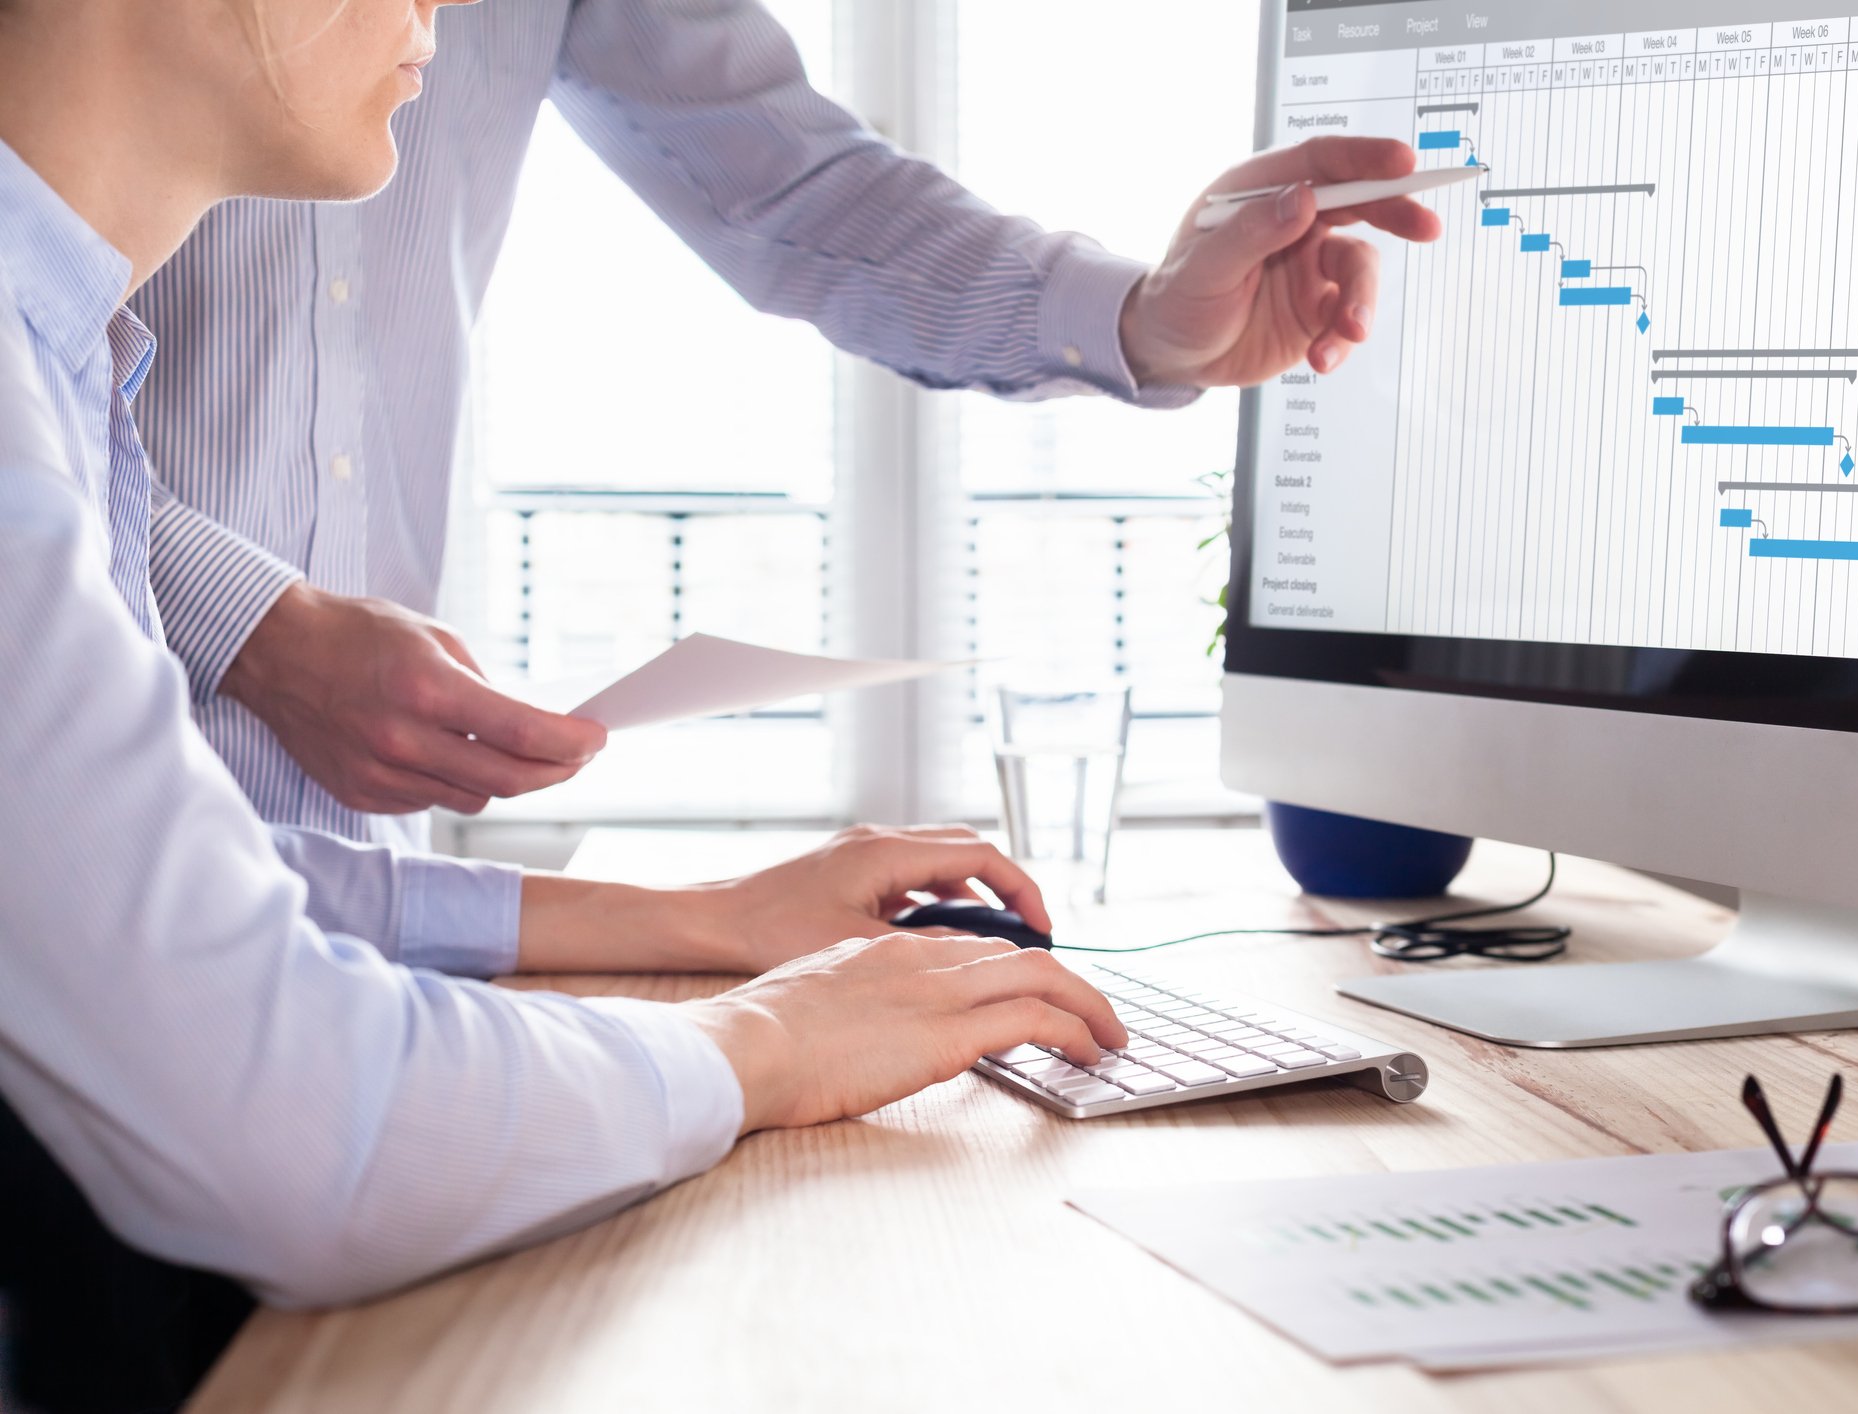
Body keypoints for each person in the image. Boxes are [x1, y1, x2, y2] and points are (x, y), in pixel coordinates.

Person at [0, 2, 1130, 1406]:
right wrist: (766, 1040)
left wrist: (697, 923)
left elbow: (141, 891)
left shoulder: (63, 363)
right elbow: (296, 1122)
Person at [134, 0, 1441, 845]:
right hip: (73, 790)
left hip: (356, 853)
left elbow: (789, 188)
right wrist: (246, 623)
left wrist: (1146, 320)